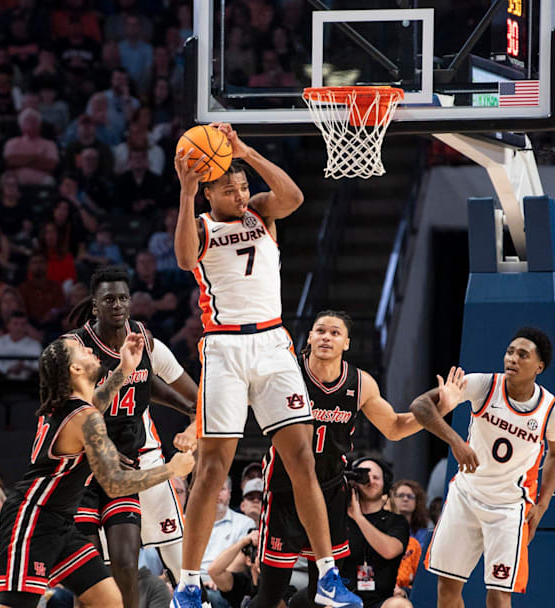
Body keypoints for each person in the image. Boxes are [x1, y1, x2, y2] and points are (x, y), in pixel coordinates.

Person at [172, 123, 361, 608]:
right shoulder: (203, 225)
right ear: (210, 190)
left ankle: (327, 577)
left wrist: (246, 152)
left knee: (303, 461)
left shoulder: (260, 213)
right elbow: (183, 257)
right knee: (212, 469)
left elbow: (293, 197)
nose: (237, 194)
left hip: (275, 344)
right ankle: (189, 582)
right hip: (226, 348)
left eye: (240, 187)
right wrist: (187, 190)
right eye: (227, 188)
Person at [249, 311, 463, 608]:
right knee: (271, 592)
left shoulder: (361, 384)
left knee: (320, 594)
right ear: (309, 337)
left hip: (331, 490)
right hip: (286, 488)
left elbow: (395, 427)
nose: (326, 337)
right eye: (320, 331)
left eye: (335, 333)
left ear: (346, 343)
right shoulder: (288, 373)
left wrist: (439, 407)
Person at [0, 332, 196, 608]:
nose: (90, 350)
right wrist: (171, 469)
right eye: (81, 350)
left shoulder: (72, 407)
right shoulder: (84, 418)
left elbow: (96, 402)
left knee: (111, 603)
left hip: (61, 524)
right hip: (32, 520)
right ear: (75, 369)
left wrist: (125, 370)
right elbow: (115, 484)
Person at [65, 266, 198, 604]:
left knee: (141, 559)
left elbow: (150, 380)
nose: (118, 305)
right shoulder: (76, 349)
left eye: (124, 298)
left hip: (134, 463)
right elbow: (73, 412)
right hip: (83, 467)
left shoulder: (143, 339)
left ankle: (194, 598)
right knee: (92, 570)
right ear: (95, 305)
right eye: (109, 299)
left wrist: (192, 414)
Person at [412, 327, 555, 608]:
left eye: (523, 355)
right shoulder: (482, 385)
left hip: (509, 508)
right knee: (447, 589)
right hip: (466, 496)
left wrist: (543, 503)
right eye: (510, 352)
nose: (513, 359)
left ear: (539, 367)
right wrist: (456, 441)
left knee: (498, 596)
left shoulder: (552, 411)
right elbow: (420, 405)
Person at [338, 458, 412, 608]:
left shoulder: (396, 521)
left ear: (385, 483)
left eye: (376, 477)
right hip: (343, 599)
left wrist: (359, 518)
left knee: (400, 605)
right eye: (364, 476)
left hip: (381, 600)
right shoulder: (340, 520)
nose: (370, 481)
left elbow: (390, 551)